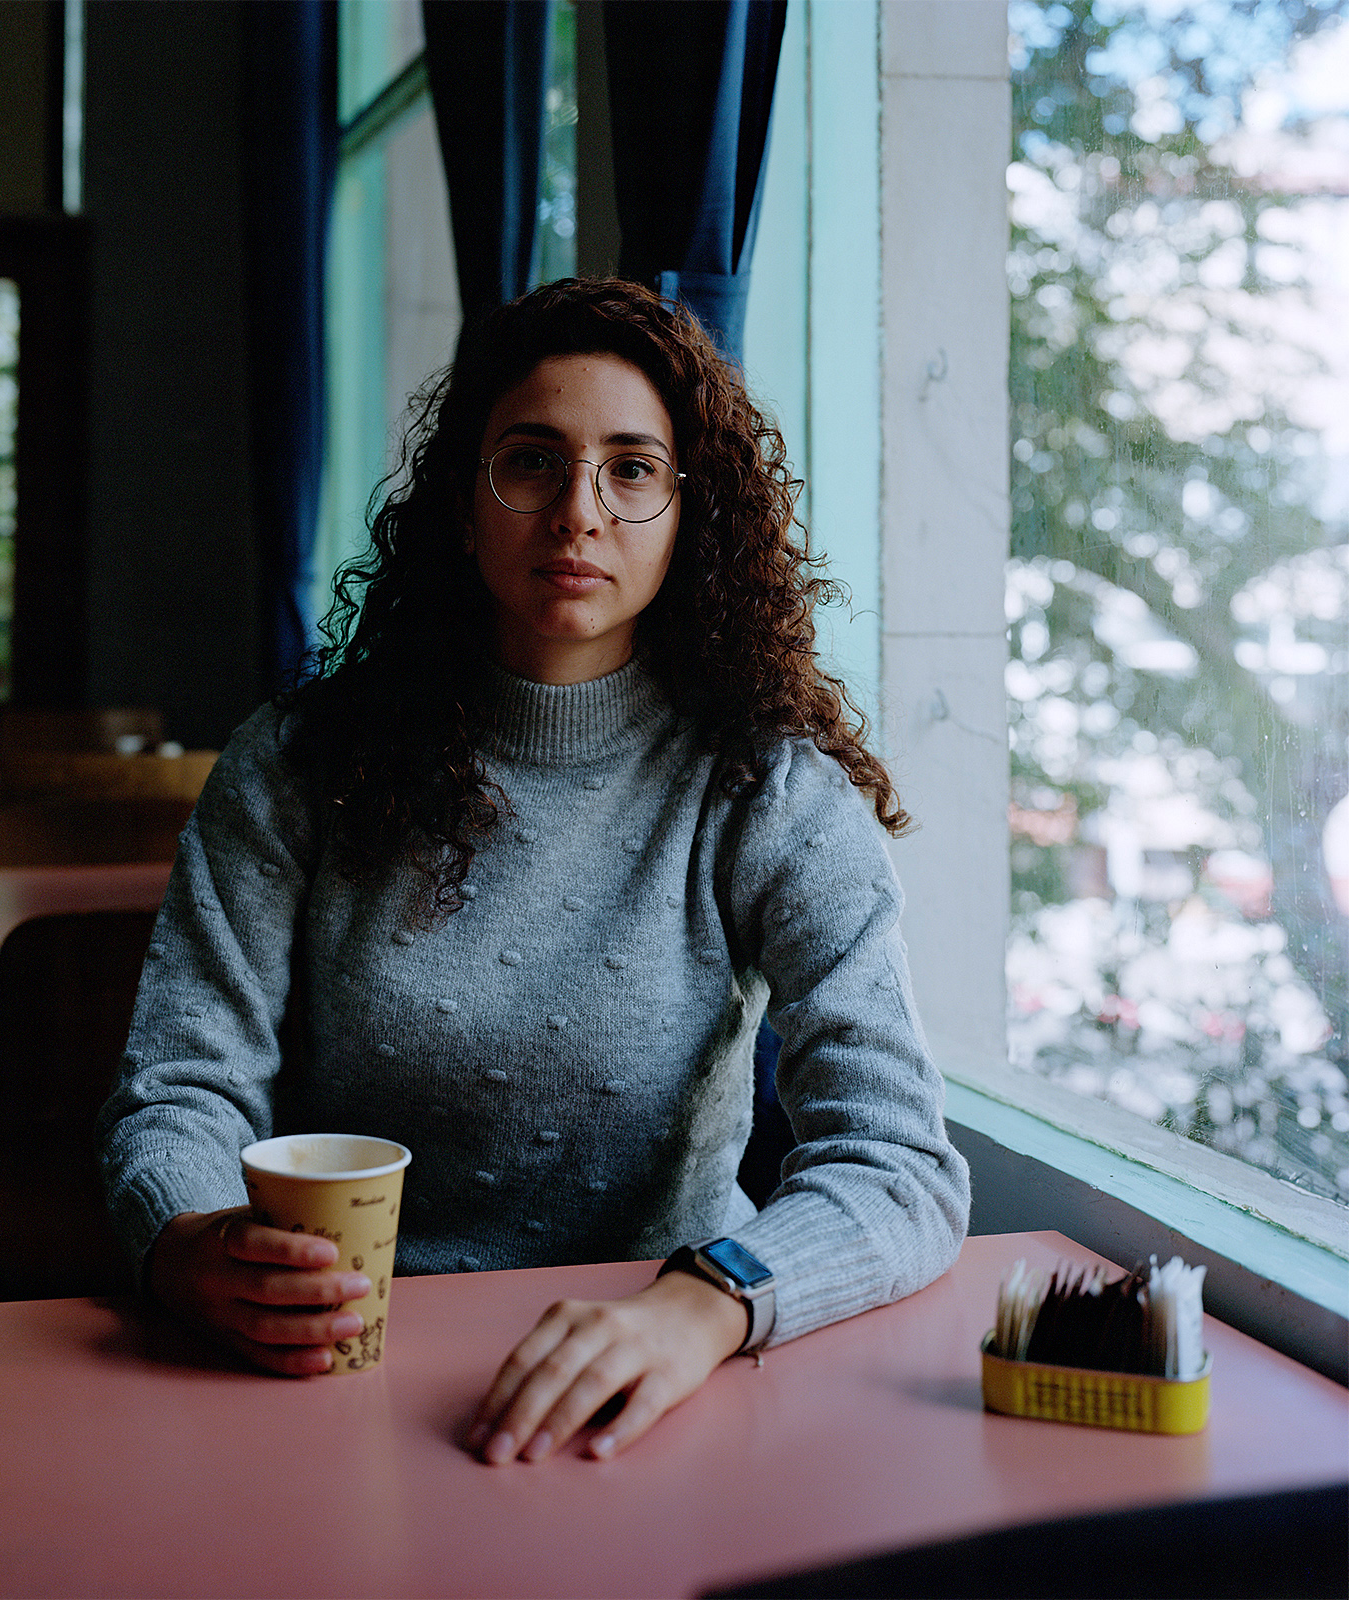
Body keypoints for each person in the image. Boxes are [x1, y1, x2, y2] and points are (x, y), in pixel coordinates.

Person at [97, 277, 969, 1465]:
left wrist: (704, 1301)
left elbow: (899, 1165)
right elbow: (179, 1088)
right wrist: (188, 1241)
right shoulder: (295, 764)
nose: (576, 511)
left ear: (687, 513)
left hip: (661, 1385)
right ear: (463, 504)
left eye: (630, 468)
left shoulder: (765, 791)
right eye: (529, 461)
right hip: (328, 1368)